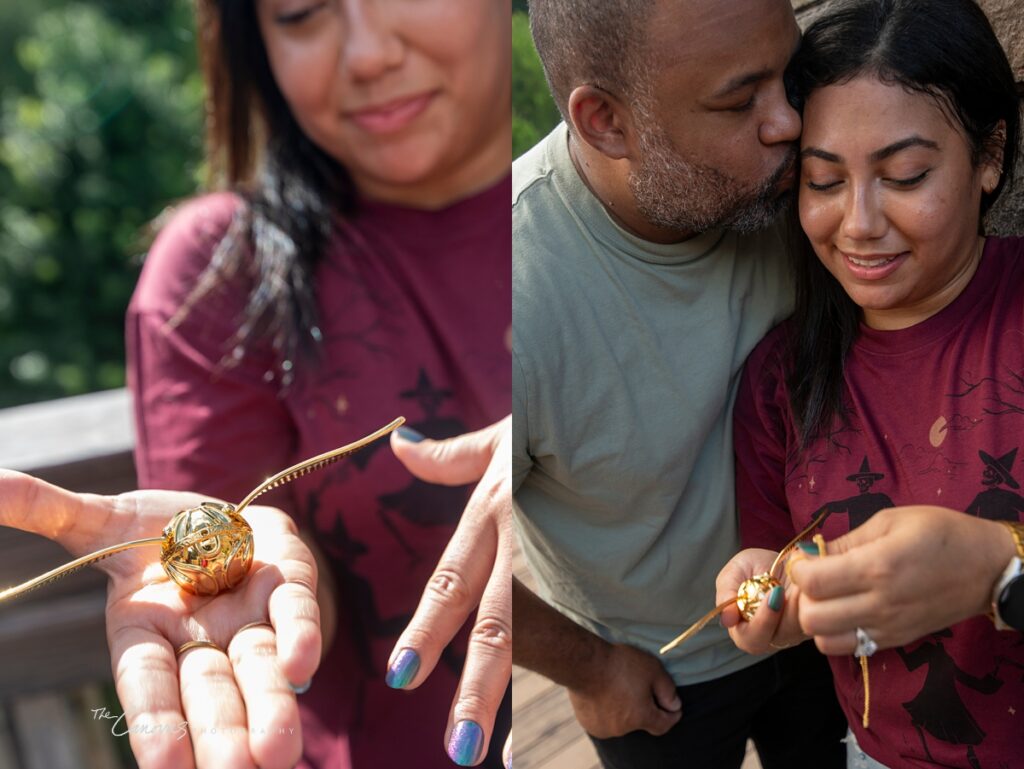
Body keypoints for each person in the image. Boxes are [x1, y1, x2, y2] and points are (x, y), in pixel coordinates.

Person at [127, 1, 512, 768]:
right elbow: (254, 581)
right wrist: (266, 593)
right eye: (301, 12)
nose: (367, 54)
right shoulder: (220, 276)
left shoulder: (622, 191)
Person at [512, 0, 846, 766]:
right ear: (606, 122)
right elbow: (420, 546)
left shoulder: (795, 177)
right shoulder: (498, 298)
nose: (791, 122)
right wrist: (586, 666)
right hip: (656, 674)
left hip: (821, 619)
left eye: (788, 76)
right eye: (738, 100)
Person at [718, 1, 1024, 766]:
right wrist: (772, 597)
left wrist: (1001, 564)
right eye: (823, 180)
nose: (857, 223)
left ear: (989, 154)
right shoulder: (779, 380)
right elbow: (778, 572)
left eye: (904, 175)